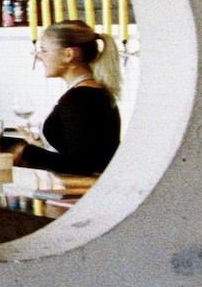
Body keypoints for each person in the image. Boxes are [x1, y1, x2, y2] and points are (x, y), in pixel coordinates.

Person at [14, 20, 123, 176]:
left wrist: (28, 152)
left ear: (69, 54)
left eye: (44, 50)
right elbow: (83, 155)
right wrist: (41, 146)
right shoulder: (92, 93)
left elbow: (82, 166)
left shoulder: (79, 98)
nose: (39, 57)